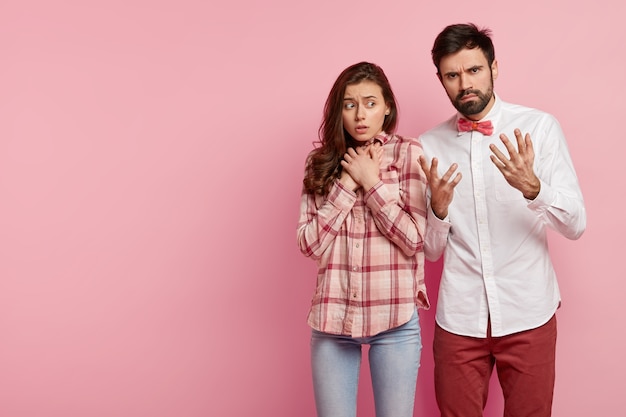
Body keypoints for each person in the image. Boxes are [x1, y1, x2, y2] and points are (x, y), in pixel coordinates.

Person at [418, 23, 586, 417]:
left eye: (474, 70)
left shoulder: (540, 128)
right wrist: (439, 210)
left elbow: (576, 225)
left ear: (495, 68)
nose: (465, 84)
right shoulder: (427, 145)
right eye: (453, 75)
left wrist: (534, 188)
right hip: (460, 318)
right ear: (441, 80)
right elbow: (430, 250)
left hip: (528, 310)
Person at [297, 61, 429, 417]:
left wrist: (371, 182)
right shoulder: (320, 163)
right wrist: (347, 184)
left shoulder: (408, 154)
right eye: (350, 103)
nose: (360, 114)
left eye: (371, 103)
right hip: (332, 320)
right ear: (339, 109)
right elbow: (309, 244)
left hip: (395, 321)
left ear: (387, 107)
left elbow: (415, 239)